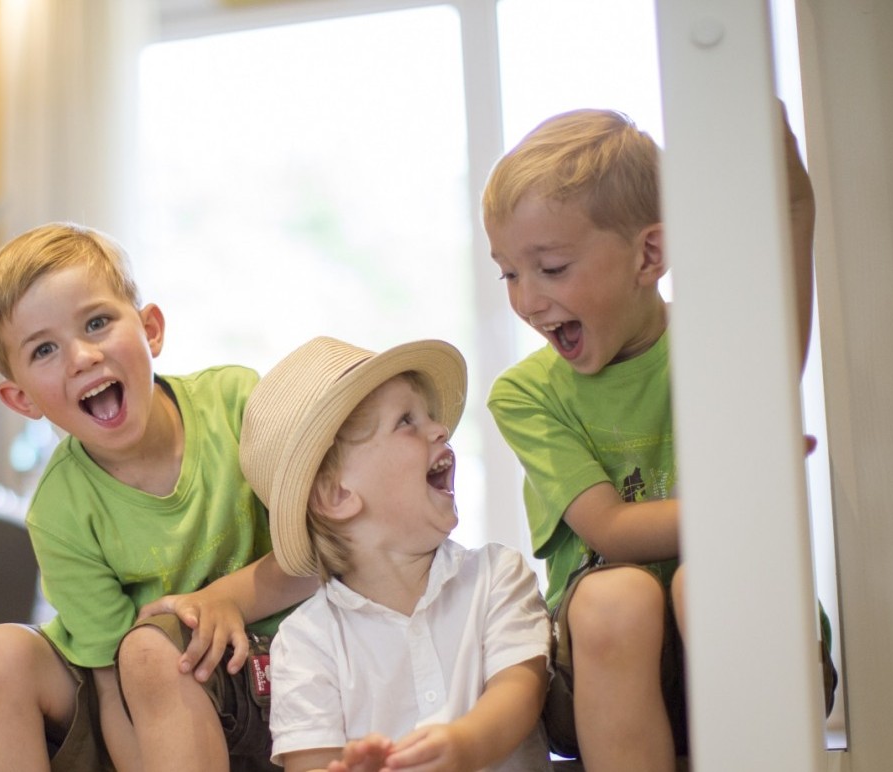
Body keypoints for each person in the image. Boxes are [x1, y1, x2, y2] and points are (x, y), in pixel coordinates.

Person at [481, 107, 832, 771]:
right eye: (509, 273)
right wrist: (753, 493)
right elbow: (610, 530)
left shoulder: (717, 341)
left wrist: (787, 181)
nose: (527, 300)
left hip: (754, 656)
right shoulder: (526, 393)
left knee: (711, 582)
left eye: (550, 268)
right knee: (620, 593)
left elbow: (789, 240)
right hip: (601, 668)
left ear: (648, 255)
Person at [0, 221, 316, 772]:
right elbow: (110, 685)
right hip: (135, 707)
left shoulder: (237, 404)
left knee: (152, 649)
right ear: (21, 399)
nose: (81, 357)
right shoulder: (58, 510)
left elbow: (324, 554)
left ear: (150, 329)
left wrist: (226, 599)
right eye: (45, 349)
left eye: (97, 323)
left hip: (270, 669)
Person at [237, 335, 552, 772]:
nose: (440, 429)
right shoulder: (307, 643)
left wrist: (465, 745)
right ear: (337, 495)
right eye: (406, 421)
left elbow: (521, 691)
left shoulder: (496, 576)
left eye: (430, 416)